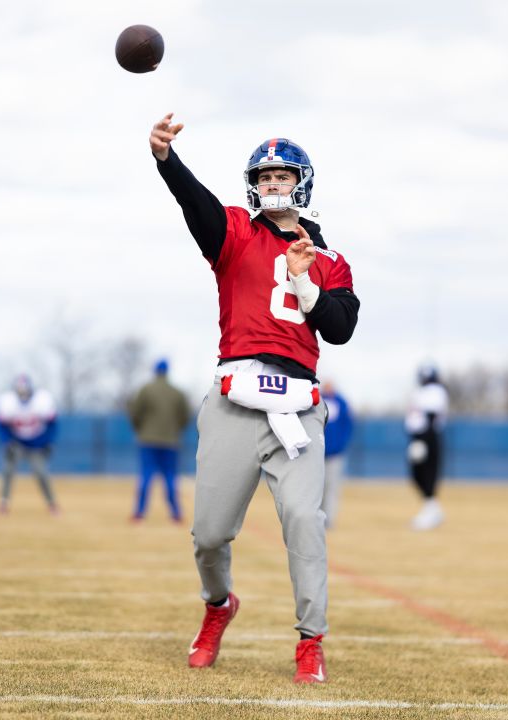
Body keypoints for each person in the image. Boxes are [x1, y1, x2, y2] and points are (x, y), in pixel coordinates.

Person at [149, 113, 360, 683]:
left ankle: (310, 642)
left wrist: (305, 281)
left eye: (281, 177)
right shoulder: (237, 233)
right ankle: (219, 606)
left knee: (302, 519)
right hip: (235, 400)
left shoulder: (332, 259)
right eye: (263, 177)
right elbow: (198, 208)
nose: (271, 185)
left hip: (296, 411)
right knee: (210, 534)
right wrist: (168, 162)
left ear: (302, 182)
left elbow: (339, 327)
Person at [127, 358, 191, 523]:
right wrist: (175, 430)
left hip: (148, 440)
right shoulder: (177, 392)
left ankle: (139, 513)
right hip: (171, 441)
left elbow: (135, 413)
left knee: (146, 476)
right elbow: (185, 416)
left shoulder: (146, 390)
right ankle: (176, 513)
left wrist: (140, 429)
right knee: (170, 477)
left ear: (155, 371)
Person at [0, 374, 58, 515]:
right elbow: (1, 426)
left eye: (25, 390)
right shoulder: (8, 402)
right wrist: (7, 442)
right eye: (20, 391)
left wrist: (49, 442)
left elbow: (52, 424)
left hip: (36, 443)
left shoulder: (42, 401)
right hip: (16, 442)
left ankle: (51, 503)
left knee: (41, 473)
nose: (23, 394)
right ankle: (3, 503)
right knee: (7, 471)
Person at [405, 364, 449, 530]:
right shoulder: (420, 392)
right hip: (418, 437)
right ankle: (432, 508)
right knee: (417, 474)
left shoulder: (436, 391)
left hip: (428, 437)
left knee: (428, 474)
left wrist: (423, 440)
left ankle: (431, 511)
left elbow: (431, 417)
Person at [320, 379, 354, 529]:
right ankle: (317, 518)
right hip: (317, 453)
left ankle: (329, 519)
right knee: (317, 487)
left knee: (332, 487)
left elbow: (348, 425)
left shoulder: (341, 402)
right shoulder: (317, 399)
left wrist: (340, 444)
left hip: (335, 454)